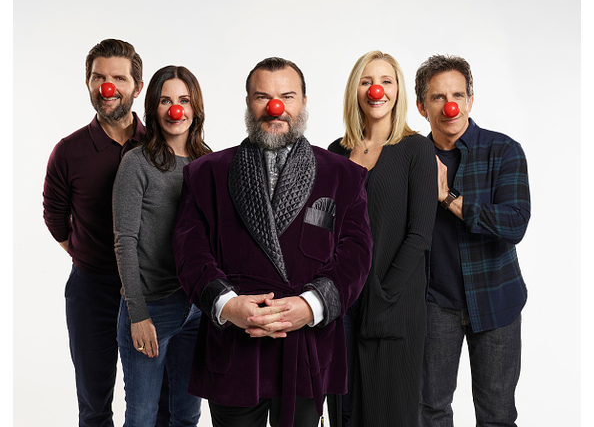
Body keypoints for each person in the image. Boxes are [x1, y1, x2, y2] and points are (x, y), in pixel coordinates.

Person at [171, 57, 373, 427]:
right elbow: (189, 251)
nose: (275, 107)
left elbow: (356, 255)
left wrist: (310, 305)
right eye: (262, 96)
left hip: (307, 344)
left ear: (304, 102)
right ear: (248, 102)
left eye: (287, 96)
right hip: (234, 342)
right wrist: (227, 304)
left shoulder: (343, 176)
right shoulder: (206, 173)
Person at [414, 54, 530, 426]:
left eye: (458, 95)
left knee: (497, 415)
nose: (450, 105)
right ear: (421, 106)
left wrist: (448, 198)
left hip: (497, 302)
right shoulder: (410, 158)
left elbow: (515, 223)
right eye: (438, 97)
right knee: (430, 411)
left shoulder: (504, 151)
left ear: (470, 101)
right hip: (434, 303)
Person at [42, 38, 152, 427]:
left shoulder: (160, 144)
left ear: (137, 88)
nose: (108, 87)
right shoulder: (68, 151)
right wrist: (89, 256)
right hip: (92, 290)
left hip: (154, 291)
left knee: (151, 405)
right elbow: (55, 218)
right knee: (93, 406)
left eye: (118, 78)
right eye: (98, 77)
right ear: (88, 84)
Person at [327, 50, 438, 427]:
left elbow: (420, 233)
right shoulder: (336, 153)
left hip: (395, 305)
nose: (377, 90)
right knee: (343, 411)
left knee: (389, 412)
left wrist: (384, 292)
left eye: (386, 81)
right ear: (355, 90)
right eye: (367, 81)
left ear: (398, 90)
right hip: (341, 305)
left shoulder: (416, 149)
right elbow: (323, 226)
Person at [113, 65, 210, 427]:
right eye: (166, 101)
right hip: (151, 308)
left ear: (195, 108)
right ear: (153, 107)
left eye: (184, 100)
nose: (176, 110)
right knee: (142, 416)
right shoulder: (136, 163)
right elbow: (124, 241)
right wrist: (138, 314)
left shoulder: (207, 161)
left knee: (187, 414)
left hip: (196, 309)